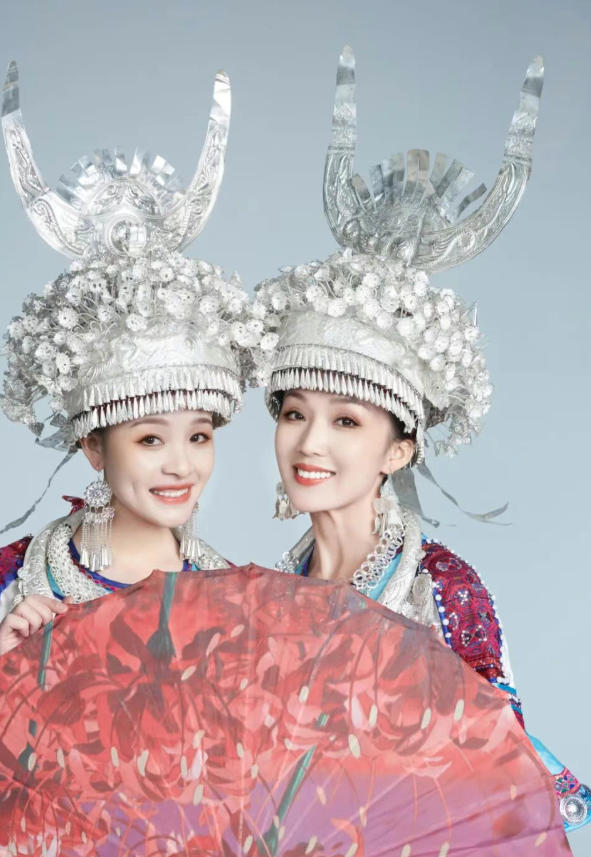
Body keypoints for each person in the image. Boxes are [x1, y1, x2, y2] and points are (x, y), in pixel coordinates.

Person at [247, 46, 590, 833]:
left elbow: (500, 794)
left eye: (346, 421)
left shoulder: (440, 591)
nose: (309, 442)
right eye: (293, 412)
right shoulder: (266, 594)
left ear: (399, 449)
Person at [0, 61, 252, 765]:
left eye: (198, 435)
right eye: (149, 438)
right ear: (93, 445)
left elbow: (270, 791)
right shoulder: (8, 582)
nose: (181, 464)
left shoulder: (235, 598)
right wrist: (0, 679)